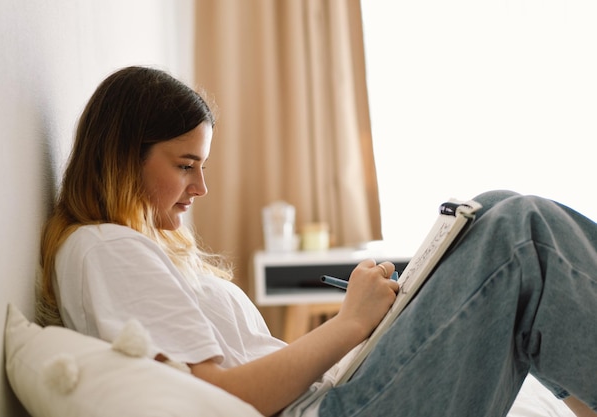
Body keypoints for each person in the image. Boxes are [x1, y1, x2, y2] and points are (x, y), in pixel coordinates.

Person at [37, 66, 597, 417]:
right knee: (520, 237)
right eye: (186, 166)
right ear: (120, 157)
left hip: (340, 391)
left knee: (494, 206)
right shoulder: (105, 248)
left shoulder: (128, 248)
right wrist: (351, 323)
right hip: (337, 410)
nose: (201, 187)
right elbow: (228, 398)